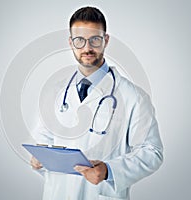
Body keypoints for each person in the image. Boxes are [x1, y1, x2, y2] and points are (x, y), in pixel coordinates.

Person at [30, 6, 163, 200]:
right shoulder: (54, 93)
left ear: (105, 41)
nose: (87, 48)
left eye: (95, 40)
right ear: (71, 42)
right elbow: (43, 140)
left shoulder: (133, 96)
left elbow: (153, 152)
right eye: (79, 40)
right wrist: (39, 158)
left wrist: (109, 171)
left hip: (100, 194)